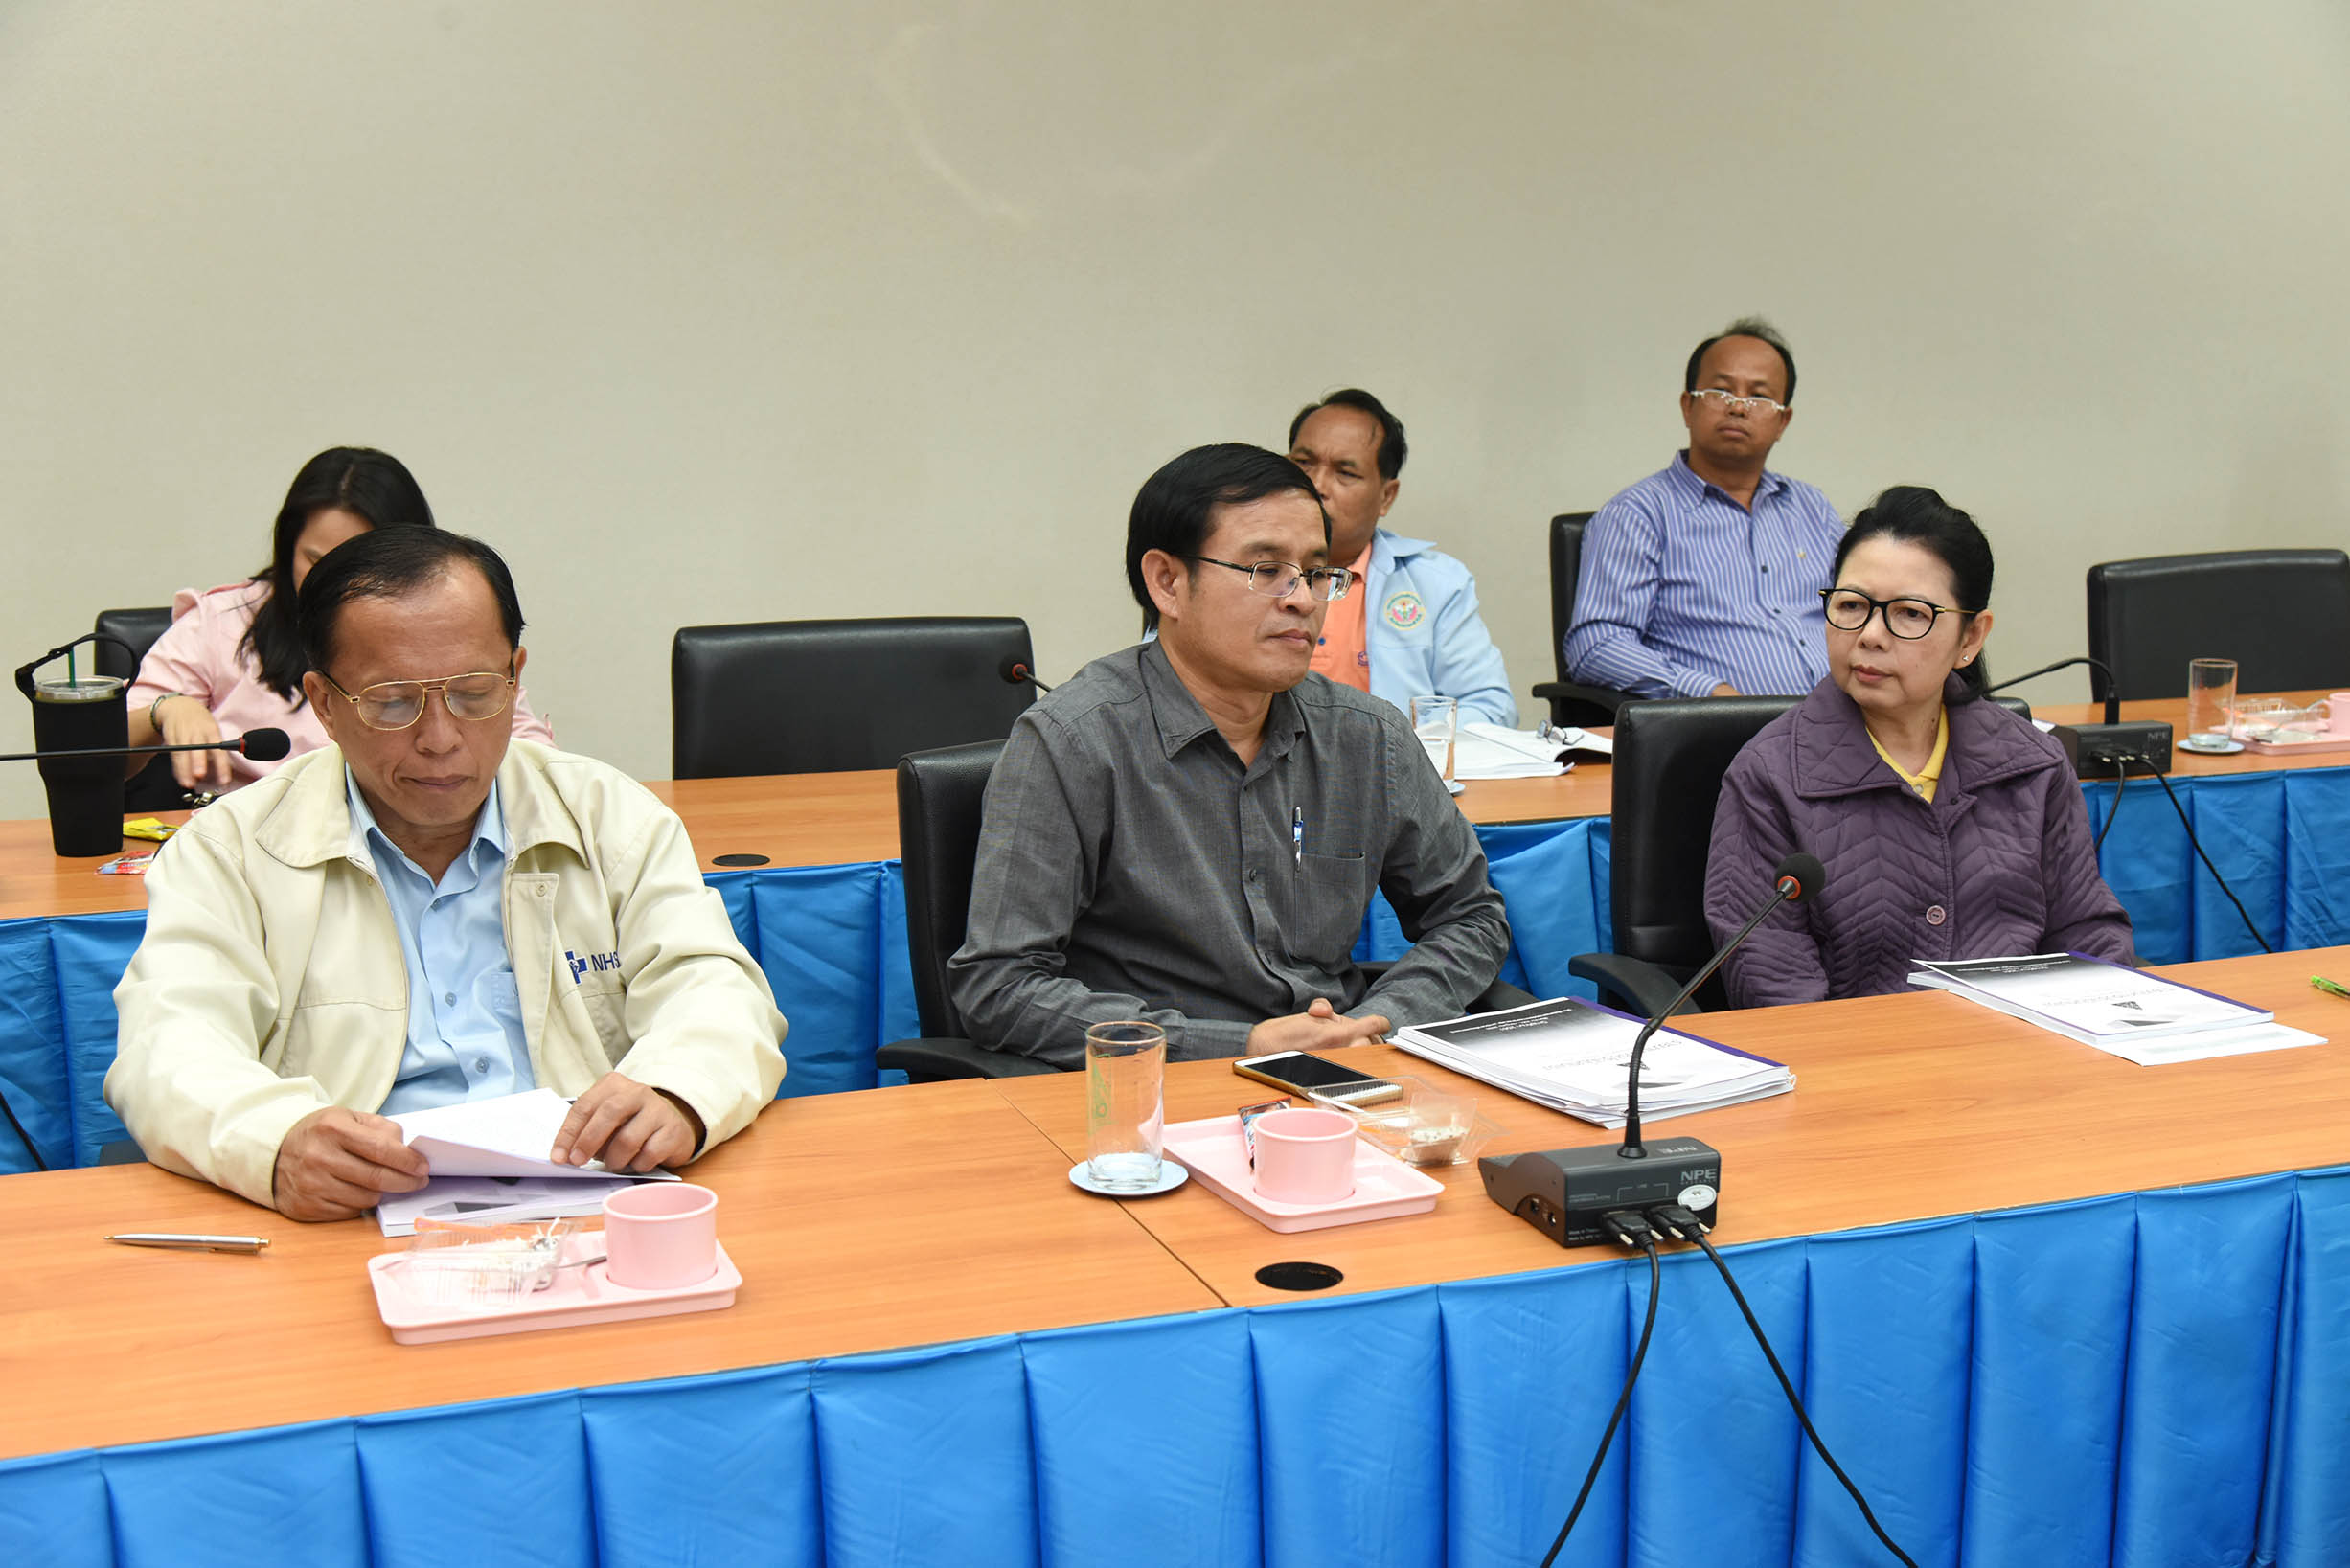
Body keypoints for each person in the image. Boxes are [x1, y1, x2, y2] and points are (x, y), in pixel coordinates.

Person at [106, 529, 787, 1219]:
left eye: (474, 692)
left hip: (597, 1204)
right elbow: (168, 1049)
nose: (440, 738)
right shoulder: (228, 851)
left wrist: (675, 1089)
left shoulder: (609, 816)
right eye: (392, 702)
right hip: (352, 1219)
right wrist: (275, 1142)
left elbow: (715, 989)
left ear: (515, 676)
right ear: (325, 703)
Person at [947, 443, 1513, 1067]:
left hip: (1341, 1072)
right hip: (1164, 1089)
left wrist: (1379, 1021)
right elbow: (998, 986)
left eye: (1317, 572)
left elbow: (1471, 918)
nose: (1302, 599)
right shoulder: (1074, 741)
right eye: (1265, 570)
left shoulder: (1367, 736)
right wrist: (1240, 1046)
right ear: (1167, 582)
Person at [1704, 486, 2133, 1007]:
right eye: (1851, 605)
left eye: (1909, 613)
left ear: (1971, 638)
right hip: (1854, 1054)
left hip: (2022, 1044)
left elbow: (2086, 931)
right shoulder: (1769, 776)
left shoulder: (2032, 765)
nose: (1870, 635)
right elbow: (1772, 980)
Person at [125, 447, 552, 794]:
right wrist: (166, 709)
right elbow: (102, 754)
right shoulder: (219, 623)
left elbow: (532, 760)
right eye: (315, 561)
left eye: (362, 571)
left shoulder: (449, 630)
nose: (334, 586)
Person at [1563, 318, 1845, 699]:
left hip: (1844, 720)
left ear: (1783, 421)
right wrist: (1710, 695)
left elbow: (1863, 612)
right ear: (1688, 407)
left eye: (1759, 396)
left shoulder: (1812, 508)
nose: (1738, 408)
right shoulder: (1639, 515)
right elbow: (1597, 644)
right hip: (1721, 728)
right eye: (1720, 391)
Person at [1284, 389, 1516, 725]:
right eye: (1303, 463)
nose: (1316, 484)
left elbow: (1491, 708)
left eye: (1345, 473)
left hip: (1391, 756)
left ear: (1386, 496)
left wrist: (1403, 749)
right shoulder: (1241, 572)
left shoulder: (1436, 583)